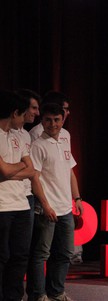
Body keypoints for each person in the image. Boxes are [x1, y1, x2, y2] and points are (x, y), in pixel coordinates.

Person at [26, 102, 84, 301]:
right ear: (42, 120)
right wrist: (45, 205)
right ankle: (37, 295)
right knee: (41, 254)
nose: (53, 124)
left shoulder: (65, 139)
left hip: (65, 208)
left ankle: (56, 292)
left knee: (65, 252)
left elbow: (70, 171)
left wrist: (76, 197)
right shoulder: (38, 145)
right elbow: (34, 178)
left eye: (56, 120)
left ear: (63, 119)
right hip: (46, 209)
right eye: (48, 120)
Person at [0, 89, 34, 301]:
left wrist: (10, 171)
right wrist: (15, 170)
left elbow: (31, 170)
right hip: (2, 206)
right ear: (15, 113)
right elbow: (3, 170)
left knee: (20, 257)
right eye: (22, 115)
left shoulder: (18, 136)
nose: (24, 119)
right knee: (2, 257)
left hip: (22, 205)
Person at [13, 88, 41, 220]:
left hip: (27, 196)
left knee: (24, 241)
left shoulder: (26, 135)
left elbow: (31, 171)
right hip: (10, 197)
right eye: (34, 108)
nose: (37, 113)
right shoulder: (6, 133)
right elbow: (6, 170)